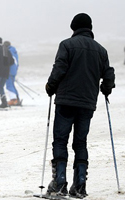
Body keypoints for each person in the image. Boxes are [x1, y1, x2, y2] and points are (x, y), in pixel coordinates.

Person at [45, 13, 115, 198]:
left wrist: (50, 86)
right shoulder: (101, 50)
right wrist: (106, 88)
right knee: (80, 142)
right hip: (87, 104)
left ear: (73, 28)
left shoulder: (66, 45)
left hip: (66, 101)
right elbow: (108, 74)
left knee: (60, 140)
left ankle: (59, 183)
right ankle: (80, 186)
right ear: (90, 28)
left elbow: (59, 68)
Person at [4, 41, 21, 106]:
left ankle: (13, 100)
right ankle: (17, 98)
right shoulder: (14, 51)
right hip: (14, 70)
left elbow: (9, 61)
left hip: (10, 70)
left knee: (9, 85)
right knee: (12, 84)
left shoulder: (9, 51)